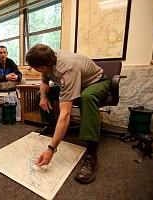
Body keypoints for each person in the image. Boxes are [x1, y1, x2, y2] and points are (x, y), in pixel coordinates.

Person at [25, 44, 110, 184]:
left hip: (96, 82)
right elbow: (44, 83)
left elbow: (65, 113)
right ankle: (52, 126)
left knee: (86, 97)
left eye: (36, 69)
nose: (36, 70)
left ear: (43, 67)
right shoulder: (46, 59)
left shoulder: (68, 68)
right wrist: (43, 97)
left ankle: (91, 154)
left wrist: (51, 149)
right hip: (76, 82)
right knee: (41, 93)